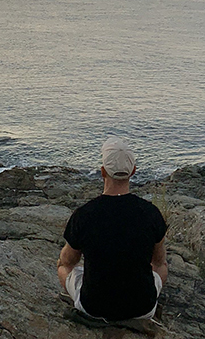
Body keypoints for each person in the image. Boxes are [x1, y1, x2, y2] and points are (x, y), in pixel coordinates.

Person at [56, 137, 169, 322]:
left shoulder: (84, 214)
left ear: (102, 172)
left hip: (93, 307)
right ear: (133, 171)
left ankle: (82, 303)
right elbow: (158, 261)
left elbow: (68, 260)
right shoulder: (151, 213)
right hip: (142, 308)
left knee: (63, 266)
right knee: (161, 267)